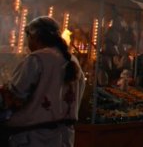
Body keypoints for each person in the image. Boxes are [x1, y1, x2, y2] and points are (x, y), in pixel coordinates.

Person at [0, 16, 85, 147]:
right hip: (65, 138)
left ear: (35, 36)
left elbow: (14, 97)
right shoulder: (73, 61)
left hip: (35, 138)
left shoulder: (36, 59)